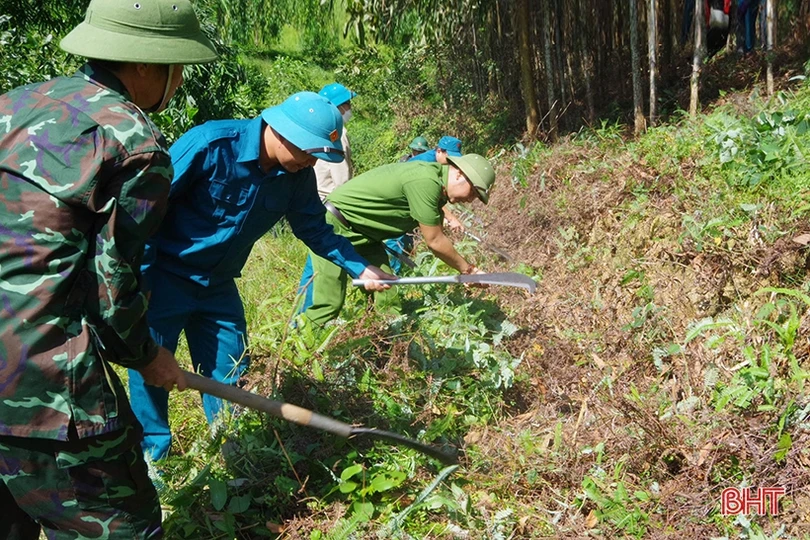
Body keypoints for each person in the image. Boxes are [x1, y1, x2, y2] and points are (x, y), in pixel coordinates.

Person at [0, 0, 217, 538]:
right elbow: (111, 284)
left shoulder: (16, 102)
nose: (181, 78)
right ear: (146, 63)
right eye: (179, 64)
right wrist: (146, 356)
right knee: (123, 527)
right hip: (38, 381)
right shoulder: (134, 145)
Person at [128, 91, 394, 461]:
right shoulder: (211, 145)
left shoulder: (294, 176)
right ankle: (152, 456)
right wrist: (139, 284)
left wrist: (359, 267)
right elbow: (145, 211)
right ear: (283, 132)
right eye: (308, 153)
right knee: (152, 367)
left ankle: (232, 453)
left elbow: (315, 229)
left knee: (231, 366)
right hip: (165, 278)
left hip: (218, 286)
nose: (311, 163)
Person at [298, 154, 496, 326]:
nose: (471, 200)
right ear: (459, 174)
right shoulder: (425, 181)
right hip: (335, 228)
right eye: (473, 192)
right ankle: (299, 352)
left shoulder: (435, 185)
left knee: (387, 295)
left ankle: (387, 349)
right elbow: (434, 241)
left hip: (365, 235)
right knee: (328, 301)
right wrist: (468, 270)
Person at [314, 82, 356, 200]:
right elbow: (342, 179)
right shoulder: (338, 132)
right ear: (338, 107)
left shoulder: (319, 128)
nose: (350, 107)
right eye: (347, 103)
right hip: (332, 201)